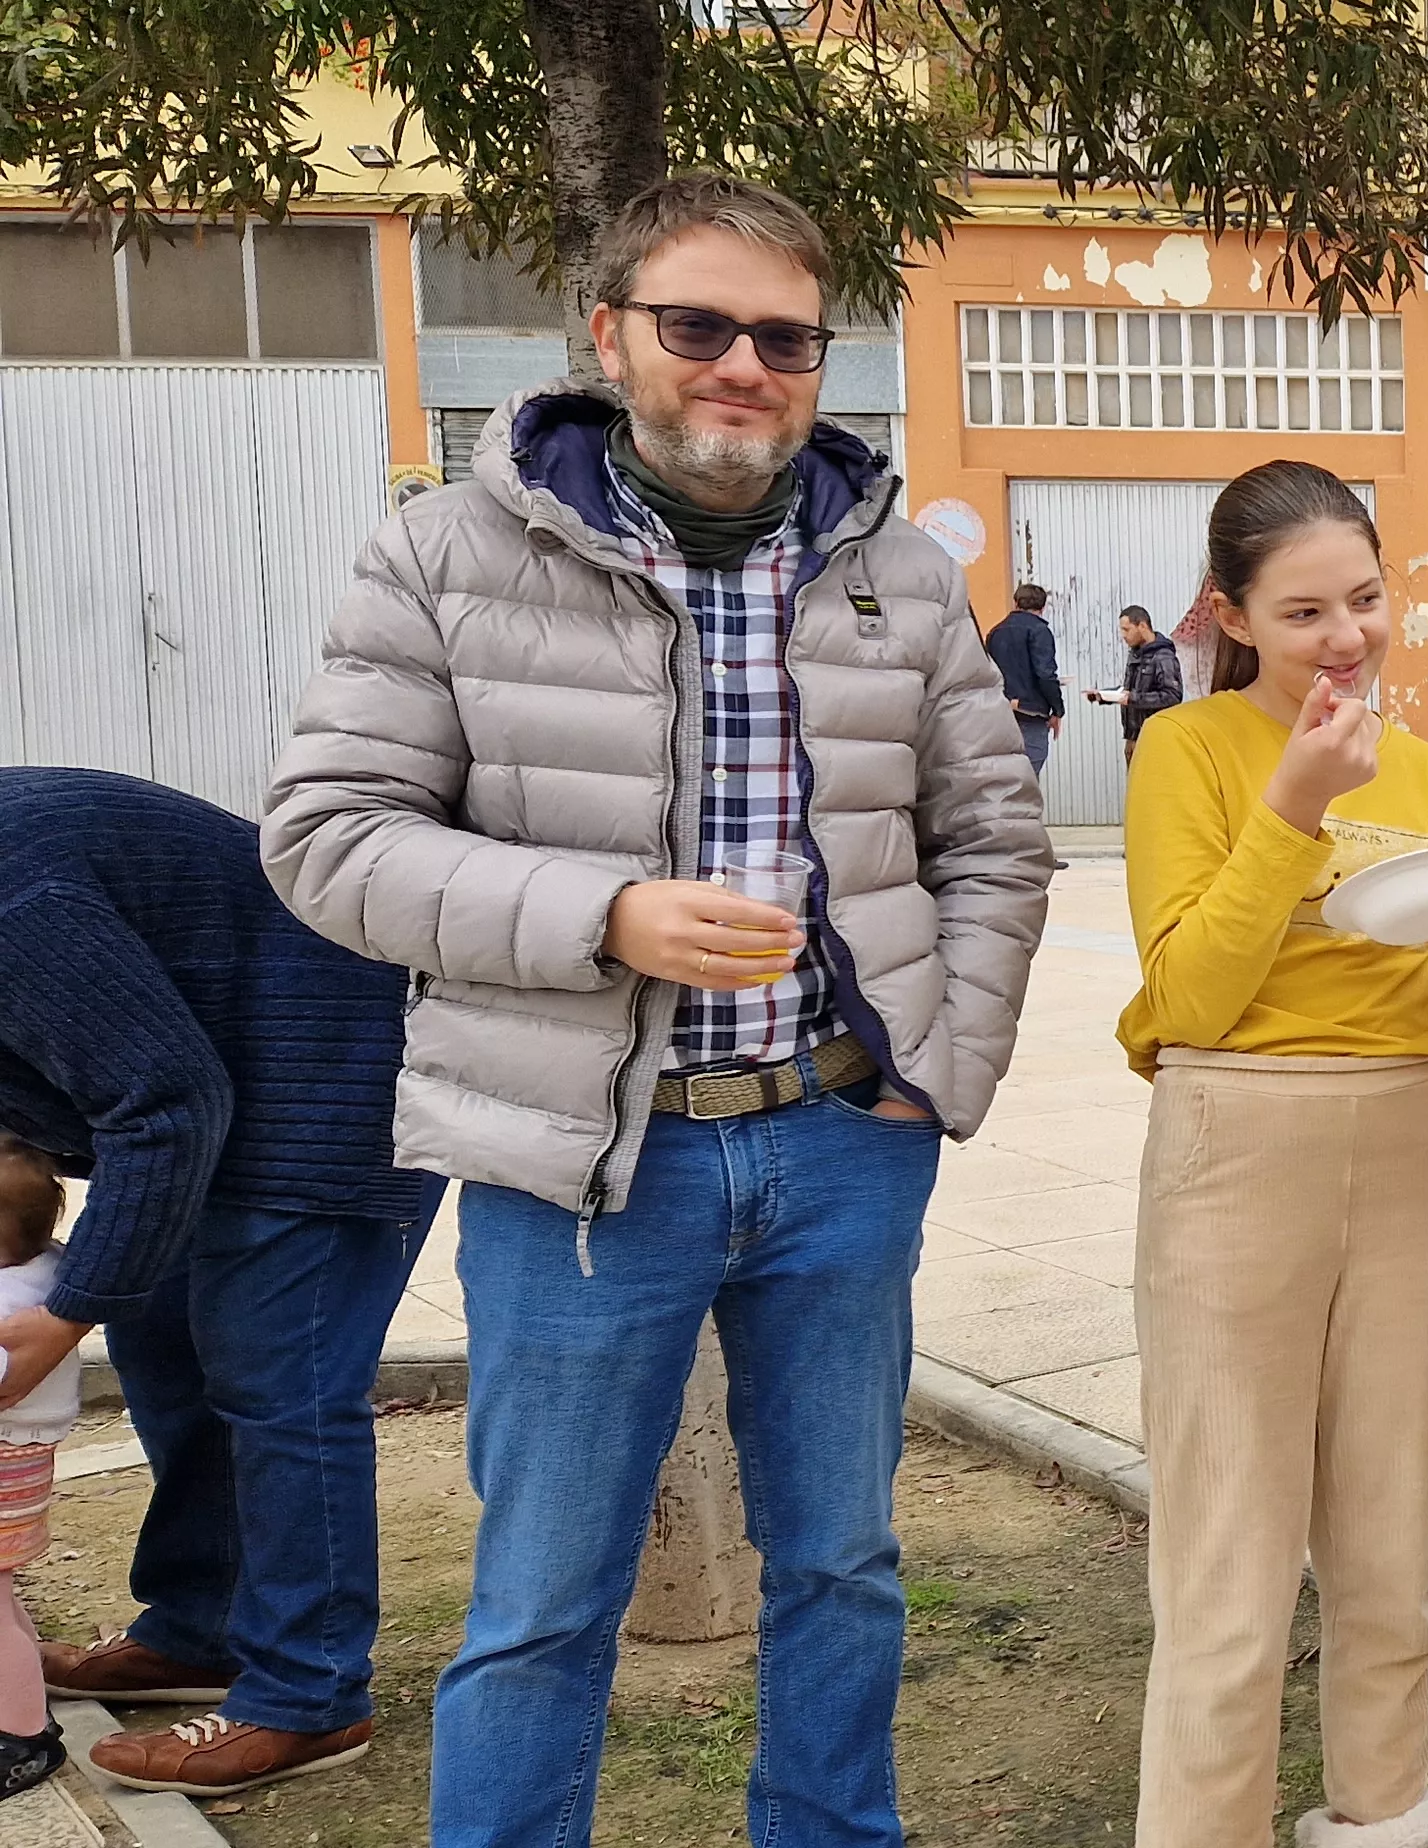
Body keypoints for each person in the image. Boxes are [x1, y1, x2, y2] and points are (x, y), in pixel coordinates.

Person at [263, 171, 1054, 1848]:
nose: (743, 365)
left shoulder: (893, 570)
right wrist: (602, 915)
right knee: (544, 1599)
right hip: (579, 1172)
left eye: (784, 336)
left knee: (840, 1563)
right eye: (699, 325)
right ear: (610, 334)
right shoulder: (448, 552)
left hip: (841, 1146)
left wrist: (941, 1065)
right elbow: (328, 839)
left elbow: (992, 839)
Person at [1117, 460, 1428, 1848]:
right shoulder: (1186, 752)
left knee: (1387, 1550)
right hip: (1237, 1136)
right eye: (1304, 613)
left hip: (1412, 1137)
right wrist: (1292, 807)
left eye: (1366, 598)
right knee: (1230, 1562)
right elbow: (1185, 998)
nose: (1346, 636)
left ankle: (1381, 1815)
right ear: (1230, 615)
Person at [0, 771, 443, 1797]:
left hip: (327, 1087)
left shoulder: (11, 902)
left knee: (279, 1390)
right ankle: (200, 1632)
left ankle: (308, 1696)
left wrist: (64, 1315)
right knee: (168, 1360)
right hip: (210, 1100)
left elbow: (164, 1100)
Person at [0, 1143, 81, 1802]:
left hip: (3, 1460)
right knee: (2, 1595)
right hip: (24, 1462)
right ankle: (31, 1710)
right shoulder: (45, 1275)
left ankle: (21, 1738)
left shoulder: (8, 1307)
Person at [1084, 602, 1187, 759]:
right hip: (1133, 738)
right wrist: (1103, 695)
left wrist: (1132, 698)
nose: (1123, 635)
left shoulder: (1163, 656)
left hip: (1154, 739)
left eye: (1127, 629)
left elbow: (1172, 696)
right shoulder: (1136, 654)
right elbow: (1130, 690)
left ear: (1142, 626)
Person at [990, 582, 1067, 769]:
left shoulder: (995, 632)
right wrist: (1058, 710)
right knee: (1028, 781)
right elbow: (1045, 673)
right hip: (1031, 713)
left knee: (1003, 779)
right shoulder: (1040, 631)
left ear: (1015, 603)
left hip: (1000, 714)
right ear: (1043, 607)